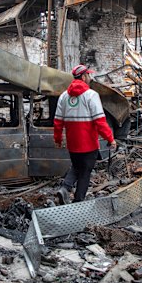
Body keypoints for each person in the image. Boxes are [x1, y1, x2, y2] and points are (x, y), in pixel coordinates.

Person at [54, 64, 116, 204]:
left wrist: (58, 139)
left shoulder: (64, 96)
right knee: (85, 172)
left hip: (73, 143)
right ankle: (78, 201)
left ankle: (65, 188)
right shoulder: (91, 95)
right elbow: (100, 121)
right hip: (88, 143)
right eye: (88, 75)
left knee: (76, 167)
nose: (90, 77)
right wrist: (110, 139)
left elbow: (58, 121)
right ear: (83, 77)